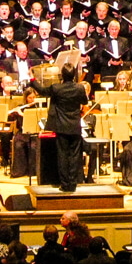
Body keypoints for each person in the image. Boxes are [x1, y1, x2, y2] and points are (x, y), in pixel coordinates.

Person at [31, 64, 88, 192]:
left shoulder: (56, 88)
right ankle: (73, 184)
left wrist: (33, 79)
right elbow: (84, 102)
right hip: (75, 126)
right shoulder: (79, 88)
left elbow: (42, 91)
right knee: (74, 156)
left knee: (62, 156)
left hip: (61, 127)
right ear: (74, 75)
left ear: (62, 75)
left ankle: (64, 184)